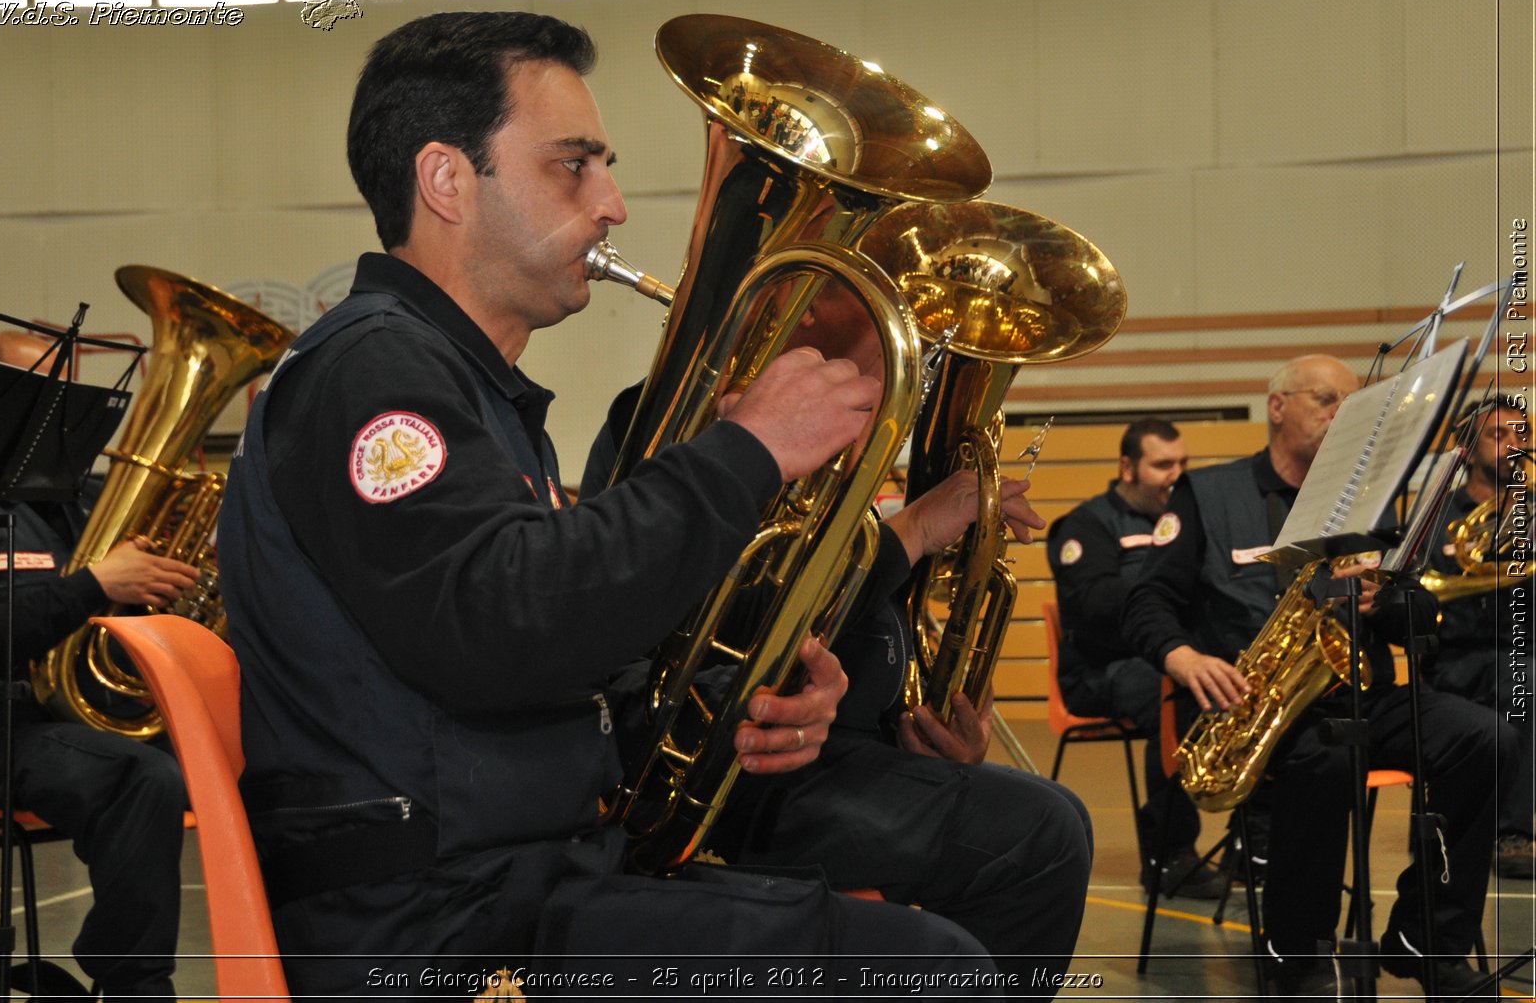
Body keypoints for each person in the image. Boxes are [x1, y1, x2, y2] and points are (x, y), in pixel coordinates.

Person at [217, 11, 1006, 997]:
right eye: (572, 167)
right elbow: (501, 623)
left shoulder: (465, 390)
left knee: (944, 917)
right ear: (445, 180)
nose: (614, 205)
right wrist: (746, 451)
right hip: (434, 929)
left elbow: (540, 658)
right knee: (933, 969)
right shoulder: (373, 374)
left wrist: (745, 701)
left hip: (520, 884)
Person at [583, 287, 1095, 998]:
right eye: (894, 296)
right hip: (728, 770)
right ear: (811, 304)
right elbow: (738, 626)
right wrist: (911, 531)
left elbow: (852, 638)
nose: (918, 321)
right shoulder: (694, 423)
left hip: (829, 754)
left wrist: (921, 724)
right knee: (1038, 834)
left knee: (1053, 813)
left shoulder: (846, 445)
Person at [1122, 354, 1512, 999]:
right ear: (1278, 407)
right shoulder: (1208, 496)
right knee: (1326, 763)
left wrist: (1384, 602)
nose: (1341, 416)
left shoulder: (1373, 501)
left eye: (1351, 405)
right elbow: (1146, 601)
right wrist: (1182, 657)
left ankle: (1426, 941)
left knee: (1485, 739)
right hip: (1248, 702)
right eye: (1326, 400)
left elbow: (1422, 612)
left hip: (1358, 691)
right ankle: (1297, 956)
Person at [0, 330, 195, 1003]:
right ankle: (135, 986)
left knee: (243, 752)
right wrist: (96, 584)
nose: (62, 417)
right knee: (140, 777)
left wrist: (164, 590)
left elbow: (107, 637)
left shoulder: (74, 504)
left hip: (50, 721)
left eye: (69, 400)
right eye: (43, 399)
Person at [1047, 418, 1227, 899]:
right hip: (1100, 669)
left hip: (1168, 657)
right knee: (1174, 694)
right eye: (1163, 464)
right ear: (1128, 467)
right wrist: (1164, 597)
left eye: (1183, 463)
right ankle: (1170, 855)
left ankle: (1255, 844)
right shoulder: (1086, 525)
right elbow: (1093, 606)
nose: (1177, 474)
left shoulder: (1191, 520)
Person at [1421, 394, 1534, 878]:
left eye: (1521, 435)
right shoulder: (1433, 517)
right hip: (1456, 658)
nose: (1514, 445)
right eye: (1498, 435)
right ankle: (1514, 832)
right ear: (1466, 450)